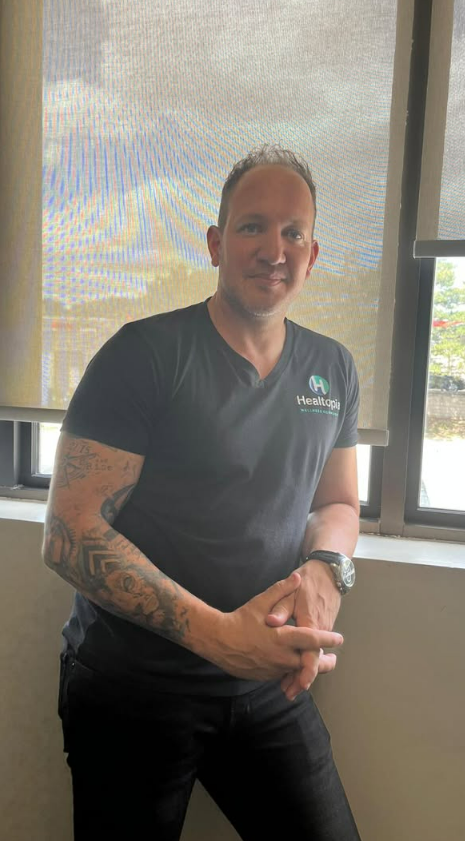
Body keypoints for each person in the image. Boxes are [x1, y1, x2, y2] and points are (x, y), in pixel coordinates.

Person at [43, 144, 361, 840]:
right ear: (216, 242)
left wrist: (325, 567)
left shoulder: (331, 367)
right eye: (251, 227)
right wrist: (220, 638)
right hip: (133, 689)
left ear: (311, 255)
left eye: (292, 232)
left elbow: (336, 502)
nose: (272, 248)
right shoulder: (144, 354)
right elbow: (70, 533)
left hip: (267, 685)